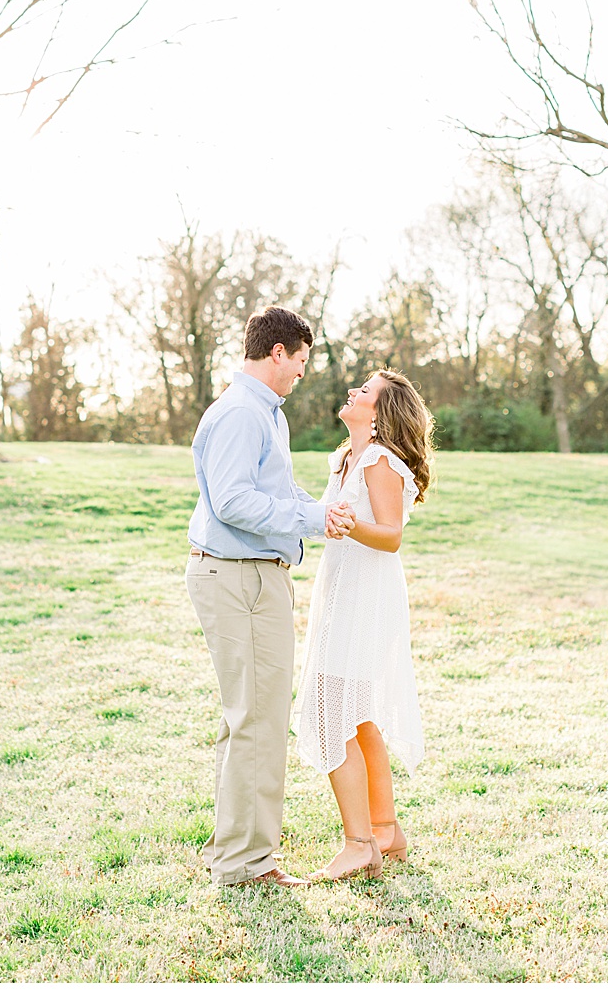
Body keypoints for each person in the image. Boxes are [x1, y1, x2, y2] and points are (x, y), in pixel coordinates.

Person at [186, 305, 353, 889]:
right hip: (241, 577)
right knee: (257, 720)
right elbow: (232, 501)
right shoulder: (241, 414)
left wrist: (318, 511)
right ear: (277, 353)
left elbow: (268, 491)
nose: (302, 374)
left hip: (249, 574)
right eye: (301, 362)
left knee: (249, 719)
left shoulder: (262, 413)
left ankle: (234, 851)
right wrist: (308, 519)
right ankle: (245, 865)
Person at [295, 368, 434, 883]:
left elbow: (392, 535)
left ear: (378, 414)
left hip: (366, 595)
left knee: (334, 710)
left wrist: (348, 525)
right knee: (355, 713)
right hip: (341, 588)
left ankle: (359, 846)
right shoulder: (345, 457)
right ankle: (386, 829)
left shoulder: (378, 460)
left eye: (365, 391)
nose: (353, 392)